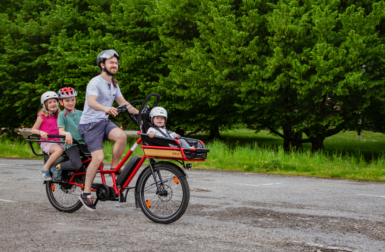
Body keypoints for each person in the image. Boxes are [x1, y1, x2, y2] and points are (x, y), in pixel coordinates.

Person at [78, 49, 139, 211]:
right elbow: (91, 102)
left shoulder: (114, 84)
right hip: (89, 124)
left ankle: (114, 170)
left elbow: (124, 103)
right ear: (102, 65)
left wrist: (142, 113)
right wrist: (106, 108)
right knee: (98, 157)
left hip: (103, 122)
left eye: (116, 63)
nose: (115, 65)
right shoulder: (95, 82)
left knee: (121, 136)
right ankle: (85, 193)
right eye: (111, 62)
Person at [50, 87, 87, 181]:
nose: (70, 103)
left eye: (72, 100)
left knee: (98, 162)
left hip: (83, 143)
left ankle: (81, 176)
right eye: (67, 100)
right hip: (71, 144)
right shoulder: (62, 115)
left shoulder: (81, 113)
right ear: (61, 102)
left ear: (76, 100)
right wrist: (67, 134)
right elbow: (61, 131)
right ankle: (58, 166)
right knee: (76, 163)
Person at [31, 91, 64, 181]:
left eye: (54, 101)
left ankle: (58, 168)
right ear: (44, 105)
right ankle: (45, 168)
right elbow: (33, 130)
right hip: (48, 142)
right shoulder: (41, 116)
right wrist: (41, 132)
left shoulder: (60, 115)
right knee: (59, 150)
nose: (53, 104)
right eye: (49, 102)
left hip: (59, 141)